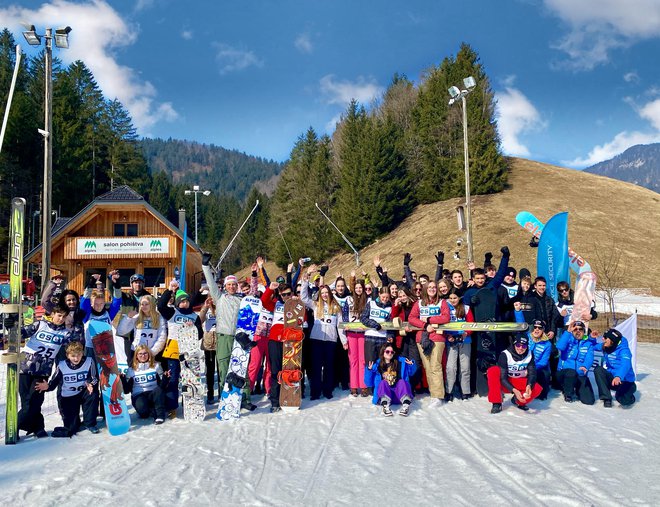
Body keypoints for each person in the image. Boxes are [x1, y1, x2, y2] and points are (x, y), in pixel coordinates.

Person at [11, 304, 72, 438]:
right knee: (27, 401)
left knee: (34, 401)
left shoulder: (65, 333)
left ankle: (14, 426)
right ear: (53, 314)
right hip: (25, 367)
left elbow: (73, 348)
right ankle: (38, 427)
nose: (61, 318)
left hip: (43, 372)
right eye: (59, 315)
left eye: (64, 316)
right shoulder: (40, 325)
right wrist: (12, 322)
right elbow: (20, 333)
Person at [157, 280, 203, 418]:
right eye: (181, 301)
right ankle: (172, 407)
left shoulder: (194, 316)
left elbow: (200, 334)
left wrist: (193, 328)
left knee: (189, 379)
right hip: (173, 351)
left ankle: (190, 404)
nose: (184, 303)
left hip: (189, 352)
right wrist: (169, 290)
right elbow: (160, 305)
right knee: (173, 380)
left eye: (186, 301)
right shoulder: (172, 313)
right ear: (177, 303)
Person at [35, 341, 99, 437]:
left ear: (82, 353)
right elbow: (55, 380)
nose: (76, 358)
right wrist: (48, 386)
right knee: (71, 428)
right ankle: (74, 423)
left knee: (92, 394)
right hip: (68, 395)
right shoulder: (62, 365)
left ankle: (90, 423)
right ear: (67, 355)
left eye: (79, 355)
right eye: (73, 356)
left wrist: (90, 383)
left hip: (83, 391)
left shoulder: (89, 361)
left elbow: (94, 377)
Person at [300, 272, 343, 400]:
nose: (324, 295)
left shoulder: (336, 307)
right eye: (322, 292)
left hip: (330, 341)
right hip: (316, 340)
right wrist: (305, 282)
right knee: (316, 368)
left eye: (326, 292)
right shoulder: (315, 305)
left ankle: (327, 391)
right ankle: (315, 392)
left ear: (330, 293)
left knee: (329, 367)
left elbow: (340, 326)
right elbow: (303, 298)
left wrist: (344, 340)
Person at [408, 280, 451, 406]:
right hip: (422, 338)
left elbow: (446, 317)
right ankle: (433, 393)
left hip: (437, 337)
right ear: (426, 289)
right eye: (429, 287)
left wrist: (429, 319)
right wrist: (425, 325)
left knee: (435, 366)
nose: (432, 289)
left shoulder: (442, 302)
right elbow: (411, 318)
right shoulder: (419, 303)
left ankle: (438, 395)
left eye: (434, 287)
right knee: (427, 367)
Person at [487, 334, 543, 413]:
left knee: (536, 388)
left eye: (523, 346)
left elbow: (532, 373)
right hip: (506, 382)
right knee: (493, 370)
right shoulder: (505, 354)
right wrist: (514, 390)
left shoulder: (530, 354)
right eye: (518, 345)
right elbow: (503, 378)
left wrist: (529, 385)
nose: (520, 348)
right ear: (514, 344)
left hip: (519, 380)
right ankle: (496, 403)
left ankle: (518, 401)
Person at [364, 344, 416, 416]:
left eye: (392, 352)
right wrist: (369, 370)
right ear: (383, 352)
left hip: (399, 396)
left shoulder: (400, 363)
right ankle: (385, 406)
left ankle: (406, 405)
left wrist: (411, 365)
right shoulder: (377, 365)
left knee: (402, 382)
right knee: (383, 383)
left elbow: (411, 373)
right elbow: (368, 383)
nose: (390, 353)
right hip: (386, 395)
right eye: (387, 351)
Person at [122, 345, 167, 424]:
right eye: (140, 354)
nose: (143, 356)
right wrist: (122, 379)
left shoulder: (156, 366)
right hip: (139, 395)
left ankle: (160, 415)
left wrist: (166, 378)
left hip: (154, 393)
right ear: (136, 356)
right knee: (144, 413)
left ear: (149, 354)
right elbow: (126, 391)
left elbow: (162, 386)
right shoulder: (131, 370)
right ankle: (151, 410)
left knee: (158, 390)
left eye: (145, 353)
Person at [115, 295, 167, 362]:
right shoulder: (137, 317)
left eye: (146, 304)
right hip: (136, 353)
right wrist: (128, 318)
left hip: (153, 354)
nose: (144, 306)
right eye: (142, 304)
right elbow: (121, 331)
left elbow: (162, 337)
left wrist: (151, 353)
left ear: (152, 304)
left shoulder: (159, 318)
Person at [594, 328, 637, 408]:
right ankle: (607, 398)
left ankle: (630, 397)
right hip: (613, 379)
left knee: (622, 400)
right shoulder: (606, 345)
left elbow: (625, 364)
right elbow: (593, 347)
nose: (603, 339)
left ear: (612, 340)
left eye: (605, 337)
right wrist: (591, 337)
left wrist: (618, 376)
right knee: (598, 370)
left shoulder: (624, 350)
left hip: (625, 381)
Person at [555, 321, 596, 404]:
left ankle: (576, 389)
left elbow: (589, 358)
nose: (578, 331)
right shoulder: (568, 339)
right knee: (571, 372)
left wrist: (585, 366)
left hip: (580, 373)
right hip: (565, 373)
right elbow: (559, 346)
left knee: (589, 400)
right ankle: (568, 394)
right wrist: (568, 332)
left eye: (580, 329)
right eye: (575, 329)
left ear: (584, 332)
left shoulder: (588, 344)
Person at [445, 289, 474, 401]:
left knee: (465, 367)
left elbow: (471, 323)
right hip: (451, 340)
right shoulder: (446, 307)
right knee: (451, 367)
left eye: (455, 298)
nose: (453, 300)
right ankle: (449, 390)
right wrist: (447, 335)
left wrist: (467, 333)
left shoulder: (466, 308)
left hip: (464, 340)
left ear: (459, 298)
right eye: (451, 298)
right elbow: (442, 323)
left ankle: (465, 391)